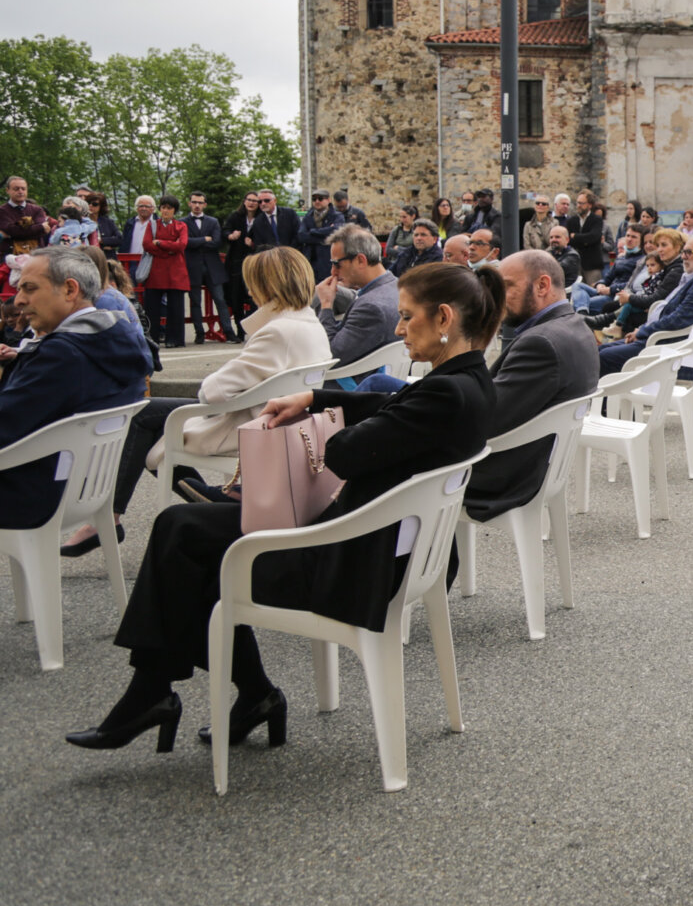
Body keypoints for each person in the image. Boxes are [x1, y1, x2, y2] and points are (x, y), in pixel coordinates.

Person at [65, 263, 500, 758]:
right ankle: (208, 694)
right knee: (183, 535)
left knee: (184, 542)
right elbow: (395, 406)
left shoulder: (444, 392)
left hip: (352, 565)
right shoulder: (469, 382)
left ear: (443, 317)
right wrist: (314, 398)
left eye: (406, 317)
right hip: (385, 549)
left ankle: (171, 694)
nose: (398, 329)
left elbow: (347, 452)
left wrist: (325, 429)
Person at [72, 248, 331, 549]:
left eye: (253, 283)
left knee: (143, 416)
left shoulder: (278, 331)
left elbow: (211, 393)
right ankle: (202, 499)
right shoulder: (308, 322)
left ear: (267, 286)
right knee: (150, 417)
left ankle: (111, 518)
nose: (248, 290)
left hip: (252, 425)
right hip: (275, 422)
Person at [0, 247, 154, 559]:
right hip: (82, 491)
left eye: (30, 288)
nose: (18, 301)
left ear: (70, 289)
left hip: (33, 492)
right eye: (18, 289)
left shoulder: (64, 354)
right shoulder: (115, 334)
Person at [461, 250, 600, 520]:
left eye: (507, 286)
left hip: (502, 475)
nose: (497, 297)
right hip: (534, 463)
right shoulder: (573, 325)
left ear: (542, 285)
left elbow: (484, 422)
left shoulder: (541, 342)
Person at [597, 231, 693, 374]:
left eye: (688, 252)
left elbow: (676, 321)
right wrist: (643, 329)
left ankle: (604, 396)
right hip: (659, 340)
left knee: (603, 356)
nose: (683, 257)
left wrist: (642, 331)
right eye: (683, 252)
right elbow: (668, 313)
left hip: (668, 349)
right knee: (599, 351)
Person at [316, 226, 400, 367]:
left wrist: (326, 304)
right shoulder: (398, 286)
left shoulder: (370, 308)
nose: (333, 272)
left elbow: (329, 354)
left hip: (353, 384)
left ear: (361, 260)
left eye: (337, 264)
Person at [142, 196, 191, 348]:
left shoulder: (181, 226)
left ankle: (174, 339)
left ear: (174, 210)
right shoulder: (152, 225)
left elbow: (182, 245)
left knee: (176, 307)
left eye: (169, 208)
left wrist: (161, 243)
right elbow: (147, 244)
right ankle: (152, 338)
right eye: (163, 207)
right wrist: (169, 249)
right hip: (156, 270)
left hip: (176, 271)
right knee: (152, 307)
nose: (165, 211)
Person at [296, 190, 344, 280]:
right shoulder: (308, 217)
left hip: (329, 260)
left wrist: (313, 231)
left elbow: (337, 231)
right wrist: (324, 238)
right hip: (311, 261)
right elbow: (301, 236)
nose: (317, 201)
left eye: (320, 199)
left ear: (328, 200)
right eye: (314, 199)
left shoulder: (337, 216)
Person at [0, 175, 51, 251]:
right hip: (11, 255)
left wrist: (15, 231)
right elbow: (11, 230)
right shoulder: (2, 211)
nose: (20, 191)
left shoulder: (37, 209)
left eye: (23, 189)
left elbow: (43, 232)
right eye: (16, 189)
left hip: (36, 254)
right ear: (7, 190)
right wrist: (40, 227)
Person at [577, 194, 608, 285]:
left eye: (581, 203)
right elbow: (570, 240)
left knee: (594, 290)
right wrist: (585, 239)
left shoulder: (597, 220)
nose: (579, 205)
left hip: (592, 263)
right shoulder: (573, 220)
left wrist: (577, 237)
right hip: (578, 264)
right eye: (578, 203)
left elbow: (594, 237)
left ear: (589, 205)